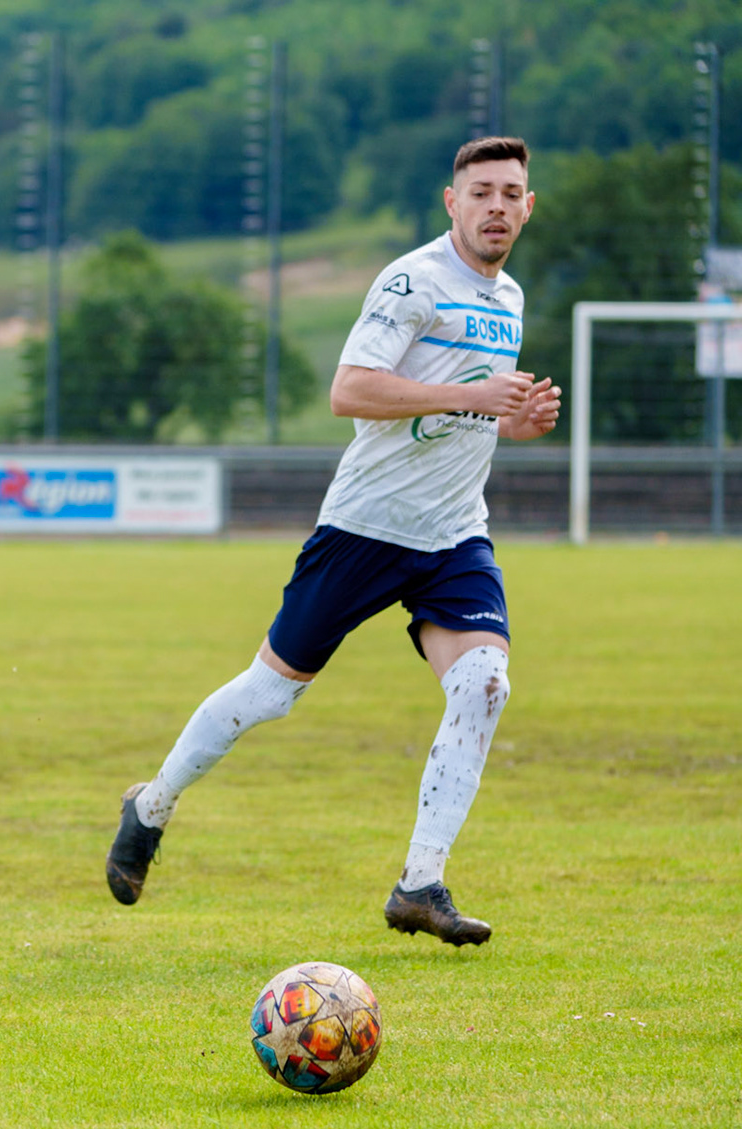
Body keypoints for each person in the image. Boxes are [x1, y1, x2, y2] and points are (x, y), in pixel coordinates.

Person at [106, 136, 561, 946]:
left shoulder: (512, 296)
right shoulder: (412, 279)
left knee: (486, 685)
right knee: (269, 693)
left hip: (455, 535)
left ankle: (421, 884)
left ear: (529, 207)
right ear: (450, 203)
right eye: (481, 192)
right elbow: (350, 390)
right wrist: (476, 395)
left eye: (511, 193)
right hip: (366, 527)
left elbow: (470, 418)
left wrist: (514, 421)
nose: (497, 206)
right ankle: (152, 804)